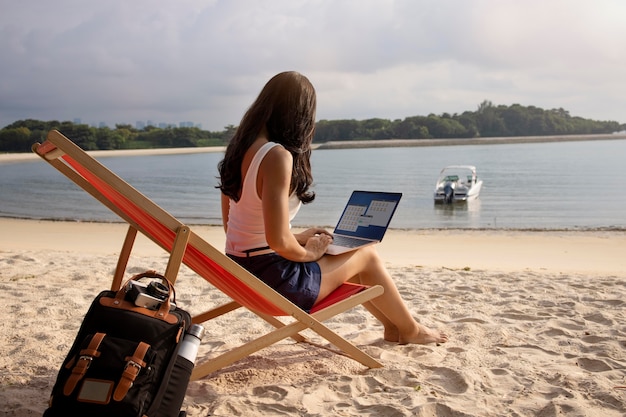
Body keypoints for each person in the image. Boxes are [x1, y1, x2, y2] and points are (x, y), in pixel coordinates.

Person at [217, 71, 448, 345]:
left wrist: (301, 238)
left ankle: (393, 326)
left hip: (242, 274)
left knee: (351, 254)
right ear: (299, 114)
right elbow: (277, 241)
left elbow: (235, 227)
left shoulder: (238, 150)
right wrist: (307, 253)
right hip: (276, 283)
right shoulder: (276, 155)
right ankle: (411, 330)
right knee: (366, 254)